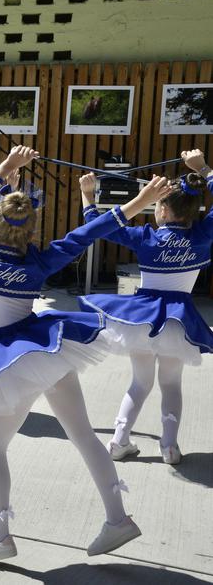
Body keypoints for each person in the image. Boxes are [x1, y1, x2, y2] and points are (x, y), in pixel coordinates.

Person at [0, 146, 173, 564]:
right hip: (48, 349)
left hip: (12, 359)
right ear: (30, 235)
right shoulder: (39, 262)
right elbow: (89, 232)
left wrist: (8, 165)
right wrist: (140, 201)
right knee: (82, 434)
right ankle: (117, 518)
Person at [78, 150, 213, 466]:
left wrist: (87, 196)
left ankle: (119, 441)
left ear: (162, 210)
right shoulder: (203, 235)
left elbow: (99, 226)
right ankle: (169, 447)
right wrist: (204, 168)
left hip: (142, 319)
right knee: (171, 384)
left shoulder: (145, 237)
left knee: (140, 383)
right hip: (178, 321)